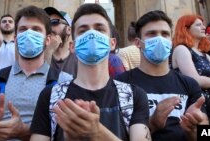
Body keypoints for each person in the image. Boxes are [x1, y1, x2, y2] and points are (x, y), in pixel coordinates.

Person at [30, 3, 150, 141]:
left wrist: (97, 133)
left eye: (99, 29)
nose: (92, 35)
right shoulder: (50, 97)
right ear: (73, 46)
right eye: (83, 31)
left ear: (112, 43)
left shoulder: (134, 96)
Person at [0, 5, 57, 141]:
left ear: (48, 39)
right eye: (23, 29)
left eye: (36, 29)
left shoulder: (63, 82)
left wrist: (23, 131)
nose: (28, 34)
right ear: (16, 38)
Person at [117, 10, 209, 141]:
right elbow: (115, 134)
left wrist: (195, 129)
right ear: (138, 43)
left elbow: (209, 133)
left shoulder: (189, 84)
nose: (159, 39)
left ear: (171, 41)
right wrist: (152, 123)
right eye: (151, 34)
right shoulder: (121, 84)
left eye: (165, 34)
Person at [172, 15, 210, 125]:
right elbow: (195, 80)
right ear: (186, 29)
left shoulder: (206, 56)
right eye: (198, 25)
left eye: (203, 24)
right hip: (194, 105)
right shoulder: (181, 49)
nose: (203, 27)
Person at [44, 7, 77, 79]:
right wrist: (49, 51)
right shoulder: (40, 55)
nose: (49, 28)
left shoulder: (79, 59)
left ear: (68, 30)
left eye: (54, 22)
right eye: (47, 24)